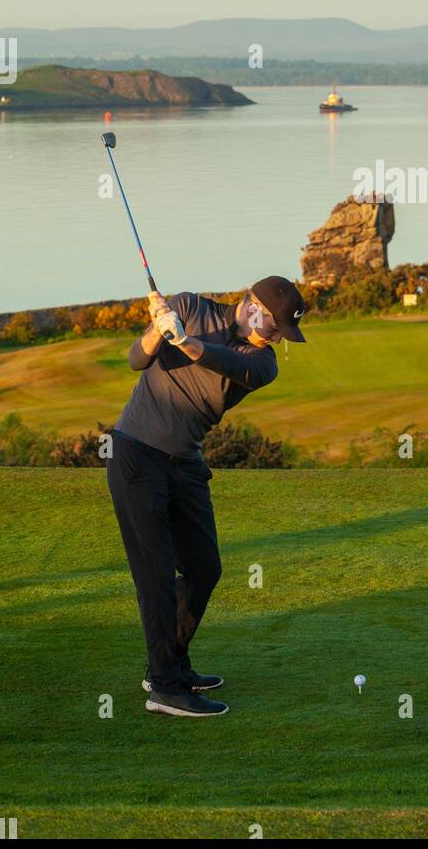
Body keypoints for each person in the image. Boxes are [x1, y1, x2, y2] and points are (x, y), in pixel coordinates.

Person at [107, 275, 306, 717]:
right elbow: (135, 360)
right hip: (137, 456)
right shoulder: (189, 305)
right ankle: (164, 687)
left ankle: (170, 662)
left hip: (185, 465)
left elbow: (218, 361)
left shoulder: (262, 362)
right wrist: (158, 331)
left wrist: (187, 341)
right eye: (275, 327)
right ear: (252, 305)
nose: (275, 338)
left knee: (204, 568)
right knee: (156, 575)